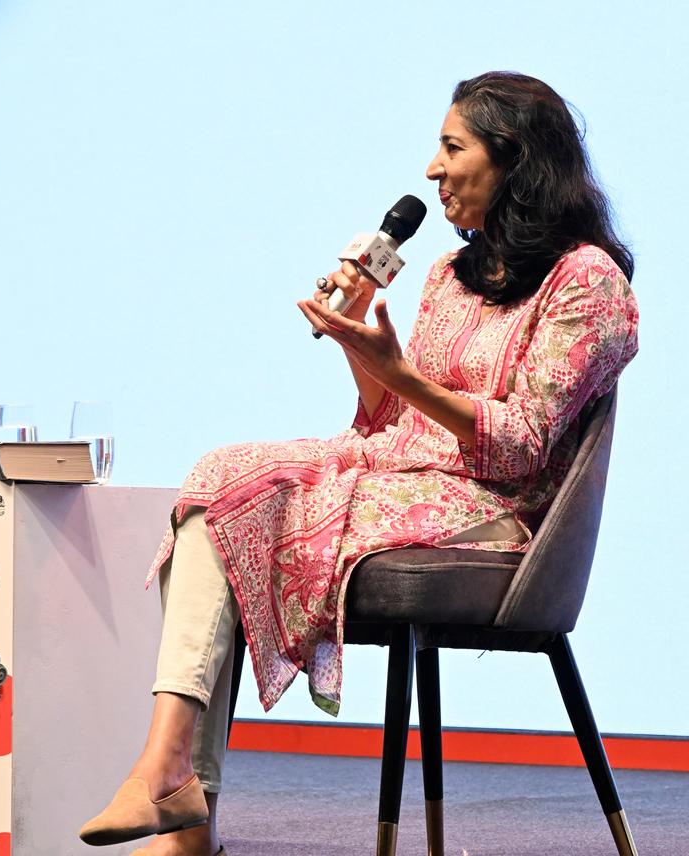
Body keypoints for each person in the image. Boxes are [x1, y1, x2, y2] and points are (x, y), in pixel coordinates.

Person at [79, 71, 639, 856]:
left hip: (498, 512)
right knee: (218, 481)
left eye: (452, 148)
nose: (431, 169)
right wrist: (356, 340)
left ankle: (175, 797)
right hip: (406, 475)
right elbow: (390, 420)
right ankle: (175, 785)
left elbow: (520, 444)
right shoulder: (449, 275)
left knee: (245, 501)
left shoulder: (587, 283)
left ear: (512, 156)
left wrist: (403, 375)